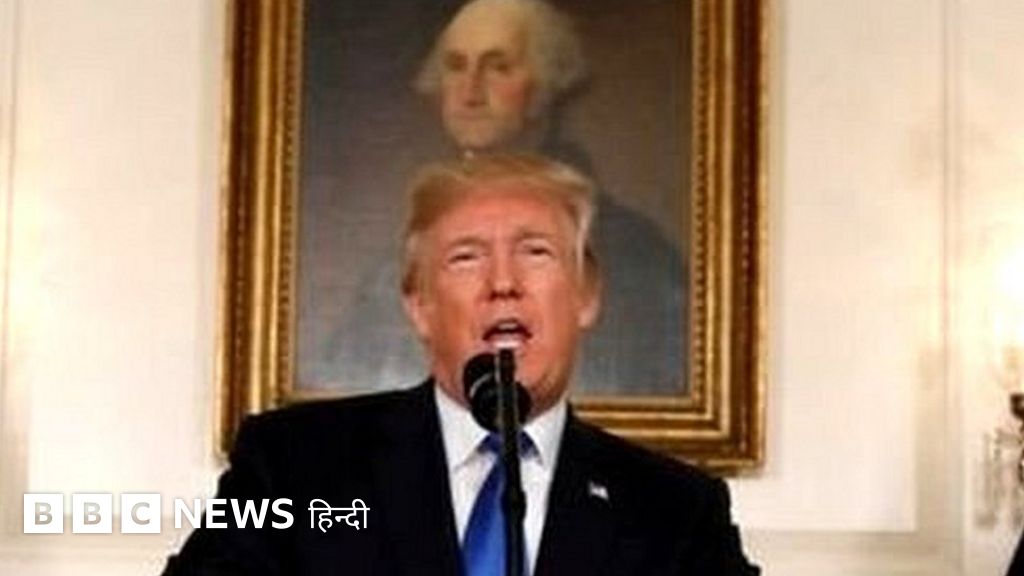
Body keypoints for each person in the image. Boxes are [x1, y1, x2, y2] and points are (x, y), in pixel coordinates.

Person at [164, 154, 757, 575]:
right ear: (418, 304)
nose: (503, 283)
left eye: (535, 252)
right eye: (467, 258)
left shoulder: (676, 510)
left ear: (587, 295)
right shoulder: (297, 470)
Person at [322, 0, 687, 396]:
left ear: (547, 82)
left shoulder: (633, 249)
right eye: (456, 66)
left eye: (498, 67)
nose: (470, 92)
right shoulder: (398, 263)